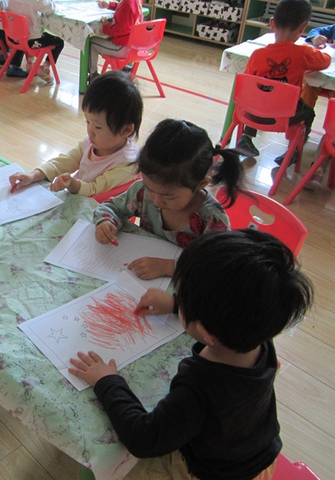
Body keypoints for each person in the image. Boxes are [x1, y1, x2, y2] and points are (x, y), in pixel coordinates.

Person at [69, 229, 313, 480]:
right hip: (258, 459)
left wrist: (107, 381)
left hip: (210, 473)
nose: (177, 295)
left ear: (205, 332)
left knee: (105, 464)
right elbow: (225, 312)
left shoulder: (199, 389)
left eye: (182, 295)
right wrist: (176, 305)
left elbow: (143, 439)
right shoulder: (258, 331)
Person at [93, 119, 243, 280]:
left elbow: (215, 266)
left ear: (201, 184)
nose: (156, 200)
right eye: (150, 188)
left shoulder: (213, 220)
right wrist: (106, 222)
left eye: (168, 196)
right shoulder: (142, 192)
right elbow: (111, 207)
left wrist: (168, 267)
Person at [9, 71, 142, 196]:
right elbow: (65, 161)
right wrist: (33, 175)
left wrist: (73, 185)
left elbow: (95, 190)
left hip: (98, 209)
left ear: (125, 130)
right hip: (80, 198)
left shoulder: (127, 164)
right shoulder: (91, 143)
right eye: (87, 122)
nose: (90, 131)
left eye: (98, 127)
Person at [235, 0, 330, 166]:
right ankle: (293, 151)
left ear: (272, 23)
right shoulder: (303, 53)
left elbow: (249, 83)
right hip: (285, 115)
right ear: (303, 27)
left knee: (258, 96)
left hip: (252, 113)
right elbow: (325, 61)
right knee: (308, 113)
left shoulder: (257, 54)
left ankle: (246, 136)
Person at [301, 24, 335, 189]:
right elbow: (317, 30)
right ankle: (302, 129)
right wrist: (315, 38)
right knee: (308, 87)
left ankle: (320, 164)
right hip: (326, 76)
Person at [8, 0, 64, 84]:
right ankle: (45, 67)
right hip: (31, 41)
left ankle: (30, 62)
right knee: (59, 42)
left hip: (16, 38)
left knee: (33, 31)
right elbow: (51, 8)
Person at [88, 0, 142, 83]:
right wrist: (110, 5)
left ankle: (93, 74)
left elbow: (120, 30)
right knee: (100, 41)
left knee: (92, 42)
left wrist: (106, 27)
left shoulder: (128, 4)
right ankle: (123, 68)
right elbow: (122, 9)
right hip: (133, 46)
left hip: (122, 47)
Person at [0, 0, 28, 77]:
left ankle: (2, 55)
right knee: (20, 37)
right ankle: (13, 66)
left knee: (7, 30)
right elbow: (2, 6)